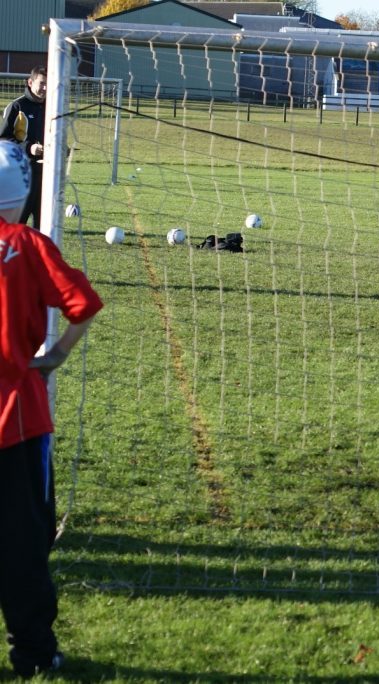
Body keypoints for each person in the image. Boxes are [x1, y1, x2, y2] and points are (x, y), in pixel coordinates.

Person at [0, 140, 103, 677]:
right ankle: (33, 654)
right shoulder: (27, 243)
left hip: (17, 420)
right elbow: (83, 305)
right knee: (23, 544)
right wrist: (57, 354)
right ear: (20, 194)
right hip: (16, 421)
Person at [0, 66, 47, 229]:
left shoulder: (53, 107)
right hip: (22, 175)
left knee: (44, 228)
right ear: (30, 82)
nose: (45, 88)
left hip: (47, 176)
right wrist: (29, 148)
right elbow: (3, 140)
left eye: (48, 84)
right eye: (41, 83)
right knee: (17, 227)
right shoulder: (17, 106)